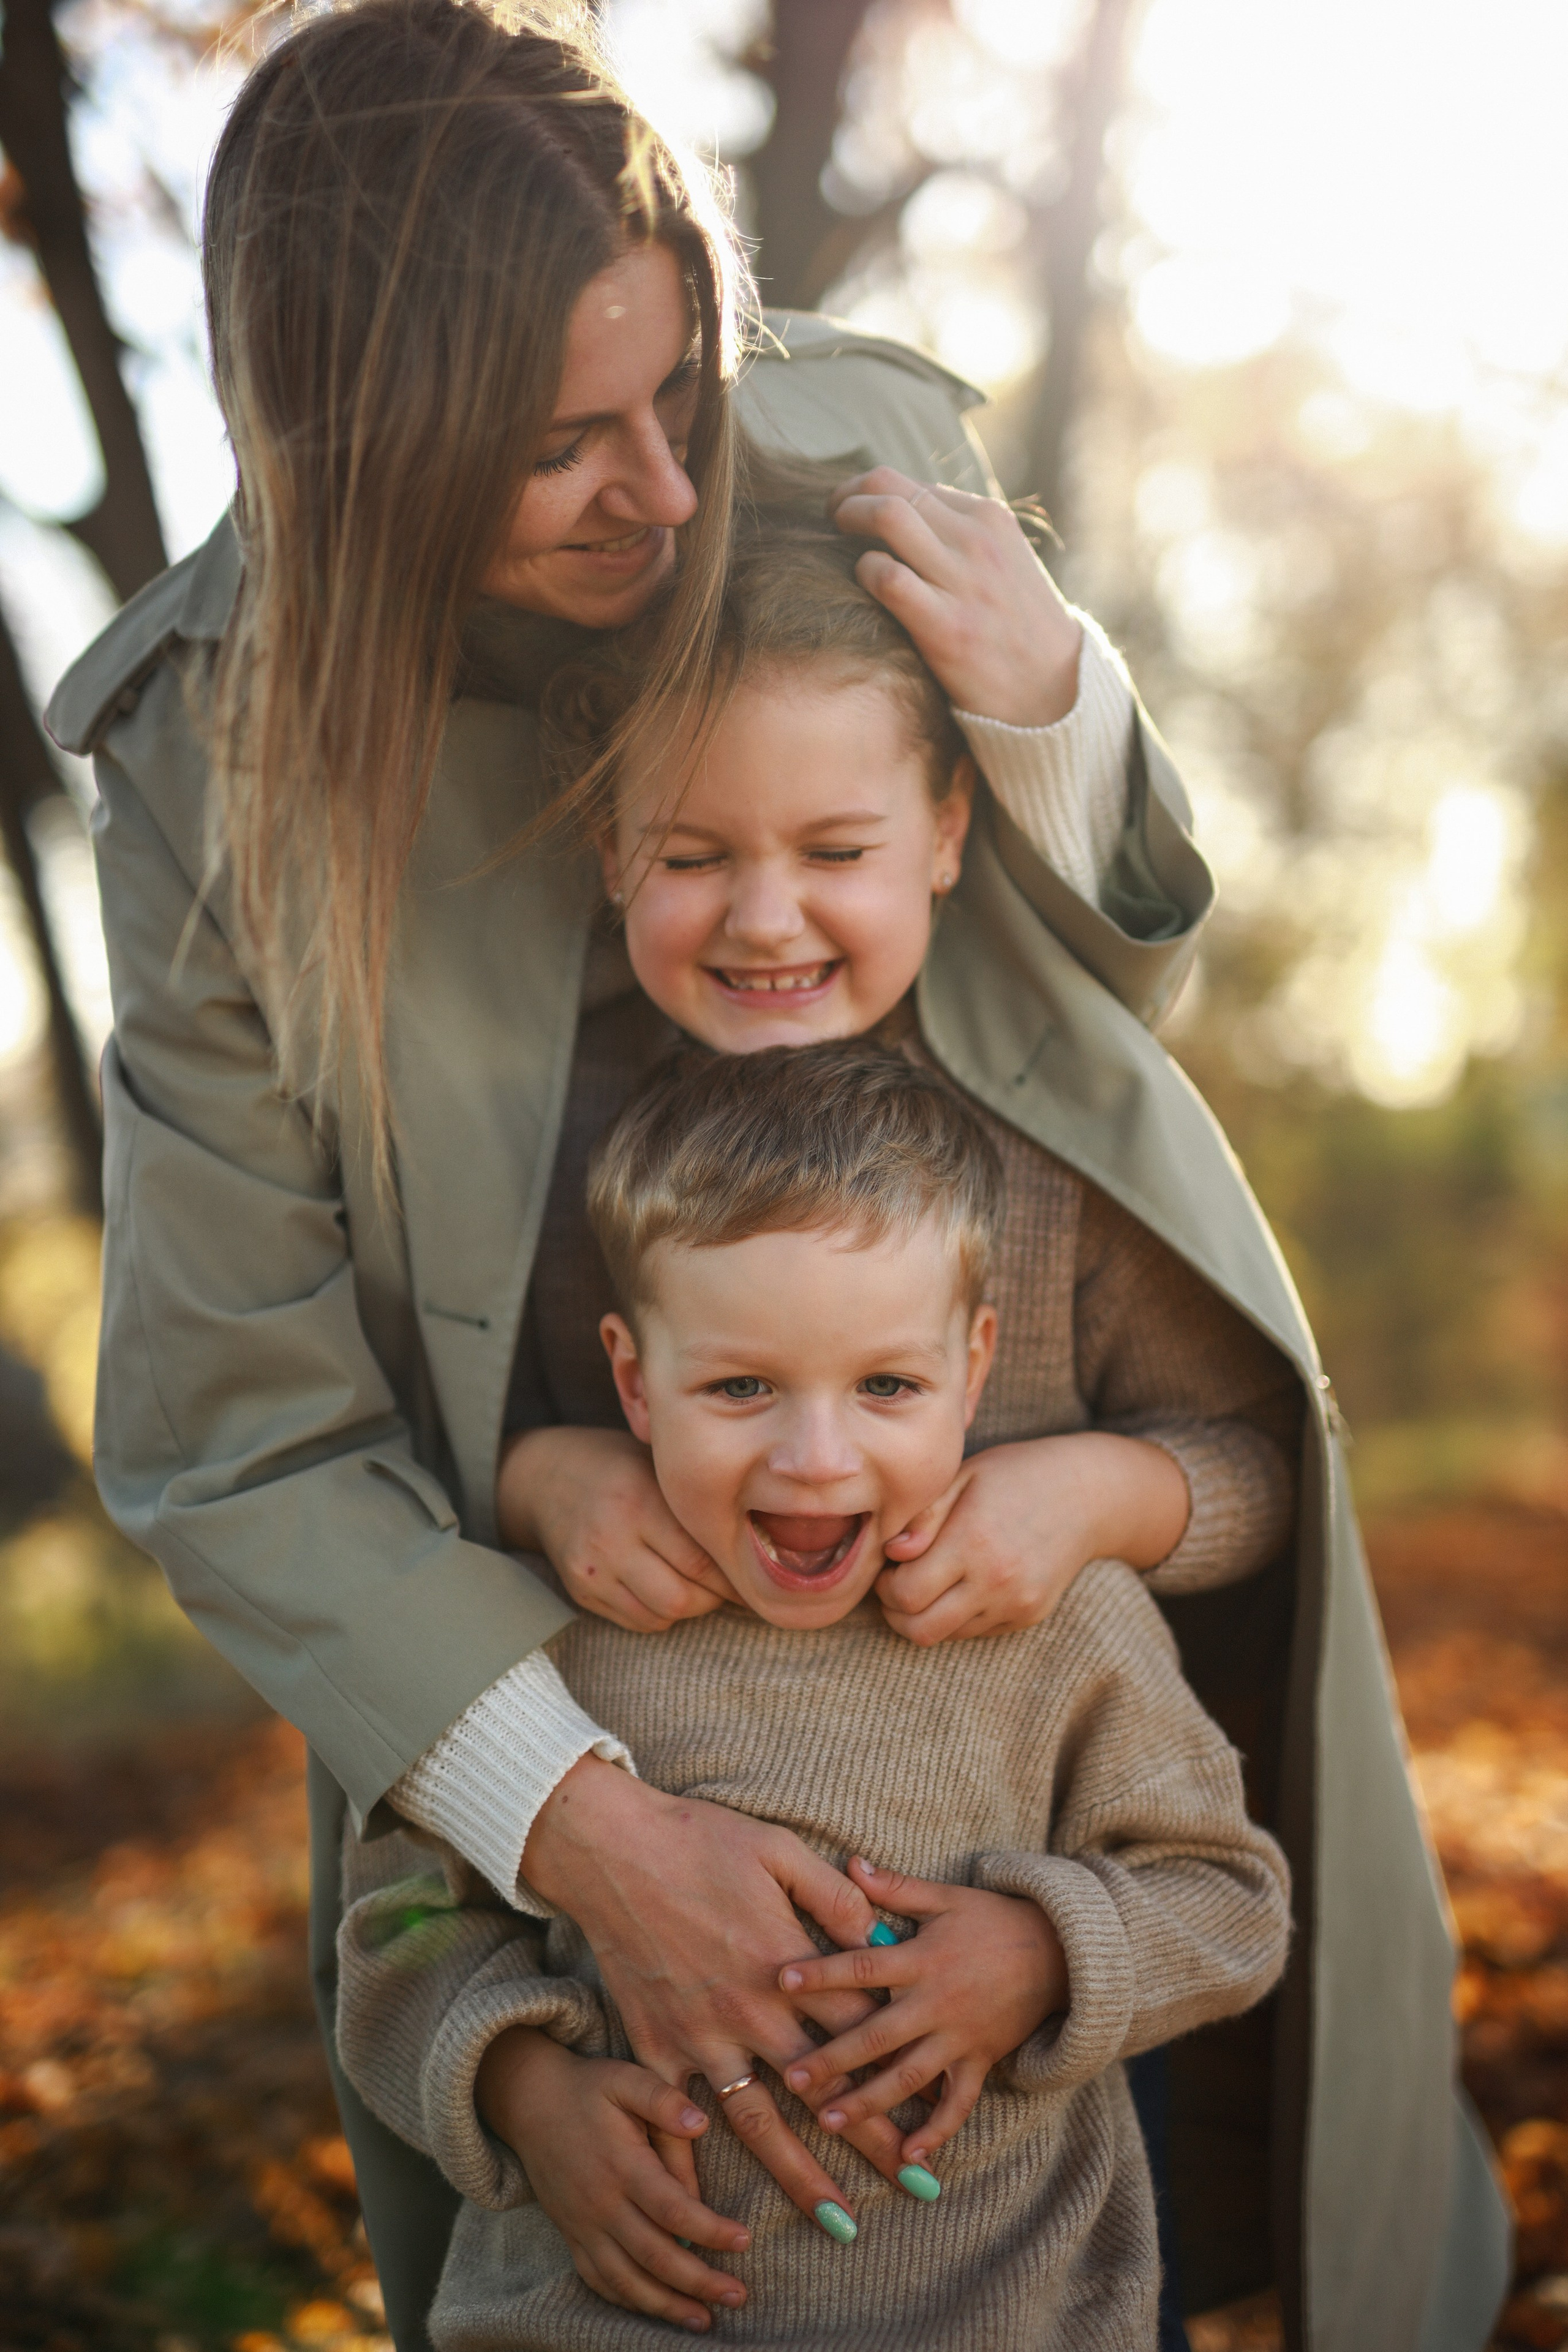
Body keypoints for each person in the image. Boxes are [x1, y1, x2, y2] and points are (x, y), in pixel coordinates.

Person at [43, 0, 1507, 2341]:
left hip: (977, 1603)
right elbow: (240, 1430)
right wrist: (584, 1832)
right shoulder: (207, 752)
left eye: (680, 393)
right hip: (576, 1646)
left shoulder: (848, 450)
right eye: (557, 446)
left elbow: (1094, 992)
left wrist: (1056, 707)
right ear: (364, 446)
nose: (658, 489)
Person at [336, 1038, 1294, 2348]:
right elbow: (394, 1931)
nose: (815, 1457)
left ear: (973, 1367)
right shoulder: (540, 1632)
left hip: (1010, 2320)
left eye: (886, 1386)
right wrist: (521, 2088)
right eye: (740, 1387)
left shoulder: (1063, 1625)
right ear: (634, 1381)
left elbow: (1231, 1901)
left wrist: (1045, 1952)